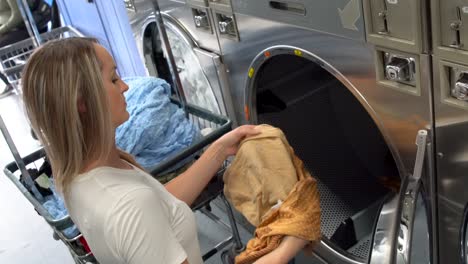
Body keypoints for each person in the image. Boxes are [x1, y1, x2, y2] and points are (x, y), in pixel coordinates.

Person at [21, 37, 307, 264]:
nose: (124, 87)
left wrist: (219, 149)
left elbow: (162, 203)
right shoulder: (128, 206)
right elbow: (141, 209)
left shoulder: (79, 174)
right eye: (112, 79)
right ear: (82, 103)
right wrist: (288, 244)